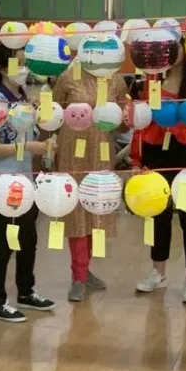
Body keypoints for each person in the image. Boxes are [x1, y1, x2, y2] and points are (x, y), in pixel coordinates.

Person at [130, 40, 186, 304]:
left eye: (175, 46)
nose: (168, 52)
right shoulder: (153, 79)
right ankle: (158, 273)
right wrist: (137, 159)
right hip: (155, 151)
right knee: (158, 211)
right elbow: (142, 121)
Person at [0, 45, 55, 323]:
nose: (24, 69)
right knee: (3, 242)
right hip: (2, 182)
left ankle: (26, 290)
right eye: (18, 64)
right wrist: (29, 147)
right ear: (1, 69)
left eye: (25, 64)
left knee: (28, 238)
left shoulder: (22, 96)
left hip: (24, 179)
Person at [51, 54, 128, 302]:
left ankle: (85, 269)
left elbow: (122, 125)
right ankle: (78, 275)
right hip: (71, 150)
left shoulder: (115, 79)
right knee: (75, 211)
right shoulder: (68, 77)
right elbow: (53, 113)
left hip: (102, 150)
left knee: (97, 206)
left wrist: (130, 114)